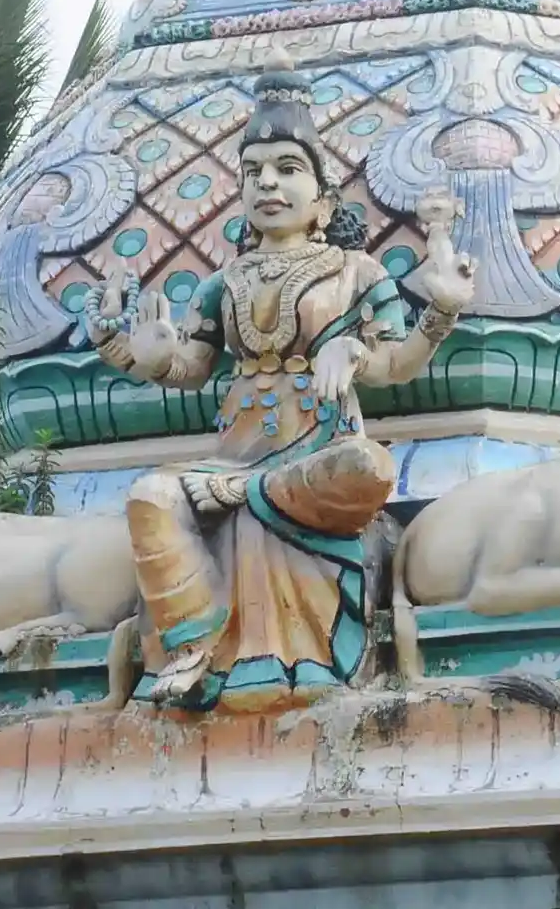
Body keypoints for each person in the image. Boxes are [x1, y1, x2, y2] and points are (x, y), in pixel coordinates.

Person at [87, 58, 474, 711]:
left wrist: (434, 316)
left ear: (323, 199)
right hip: (236, 455)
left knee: (362, 466)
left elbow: (394, 365)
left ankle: (286, 642)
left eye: (287, 168)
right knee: (150, 495)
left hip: (318, 453)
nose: (267, 181)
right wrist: (134, 350)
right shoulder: (223, 282)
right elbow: (192, 368)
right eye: (252, 170)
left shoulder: (355, 271)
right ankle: (192, 646)